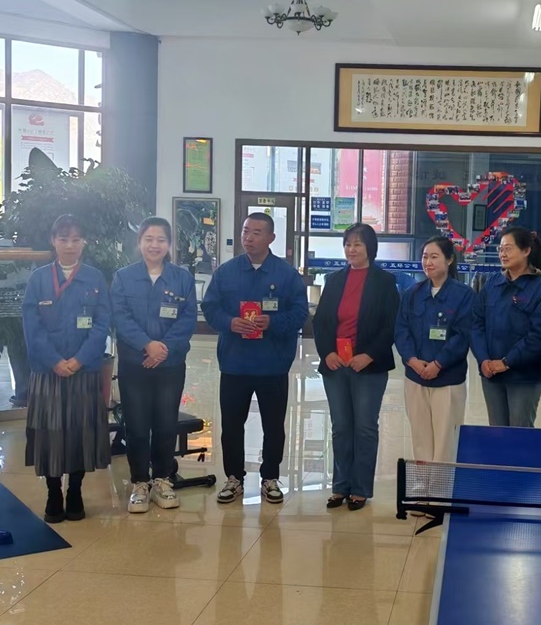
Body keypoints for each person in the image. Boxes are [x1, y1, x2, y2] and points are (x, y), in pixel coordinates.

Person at [202, 212, 308, 505]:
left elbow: (300, 313)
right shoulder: (226, 272)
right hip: (235, 363)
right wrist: (230, 322)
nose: (248, 238)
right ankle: (234, 478)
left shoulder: (286, 275)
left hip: (272, 364)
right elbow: (210, 308)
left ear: (271, 238)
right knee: (231, 425)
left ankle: (270, 477)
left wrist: (273, 322)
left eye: (256, 233)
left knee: (273, 425)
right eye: (245, 231)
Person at [22, 214, 111, 523]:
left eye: (75, 239)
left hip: (83, 370)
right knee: (50, 434)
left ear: (83, 242)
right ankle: (53, 492)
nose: (70, 245)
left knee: (80, 433)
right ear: (53, 241)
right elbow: (31, 327)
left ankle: (75, 491)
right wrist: (54, 361)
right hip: (48, 372)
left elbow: (101, 324)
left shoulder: (95, 278)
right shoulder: (38, 279)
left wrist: (79, 359)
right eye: (63, 239)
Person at [111, 217, 197, 513]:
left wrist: (163, 349)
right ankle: (139, 482)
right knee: (136, 425)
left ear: (169, 245)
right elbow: (121, 317)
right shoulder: (123, 277)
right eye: (149, 239)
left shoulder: (182, 278)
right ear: (140, 243)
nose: (154, 245)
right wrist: (147, 345)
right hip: (135, 363)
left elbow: (187, 319)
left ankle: (162, 479)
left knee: (165, 423)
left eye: (161, 239)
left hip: (170, 364)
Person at [313, 223, 399, 510]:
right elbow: (321, 322)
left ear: (369, 248)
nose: (351, 249)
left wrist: (369, 355)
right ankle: (340, 486)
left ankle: (360, 488)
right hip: (336, 365)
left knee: (364, 427)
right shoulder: (334, 280)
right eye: (348, 244)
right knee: (340, 427)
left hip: (368, 367)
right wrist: (327, 353)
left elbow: (391, 325)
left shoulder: (384, 281)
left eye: (357, 244)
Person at [395, 236, 475, 469]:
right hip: (416, 377)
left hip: (447, 379)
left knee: (445, 438)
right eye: (424, 257)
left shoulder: (464, 295)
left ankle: (442, 487)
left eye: (434, 256)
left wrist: (438, 364)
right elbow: (401, 329)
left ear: (449, 259)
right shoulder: (412, 293)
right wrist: (412, 360)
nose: (427, 262)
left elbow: (463, 335)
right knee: (420, 436)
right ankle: (423, 485)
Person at [470, 227, 541, 428]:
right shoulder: (493, 283)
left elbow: (540, 335)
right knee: (497, 431)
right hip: (491, 374)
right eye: (500, 249)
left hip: (523, 377)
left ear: (526, 251)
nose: (503, 253)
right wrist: (483, 359)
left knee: (520, 433)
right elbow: (477, 323)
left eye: (508, 248)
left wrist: (506, 362)